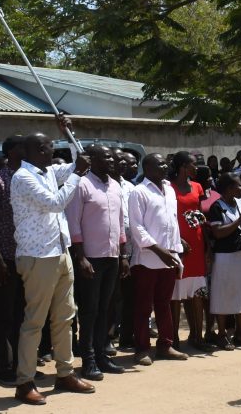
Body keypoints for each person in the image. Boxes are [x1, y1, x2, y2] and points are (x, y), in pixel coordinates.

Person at [11, 128, 97, 406]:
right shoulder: (23, 177)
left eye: (52, 145)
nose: (52, 150)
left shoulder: (48, 171)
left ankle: (65, 373)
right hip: (38, 256)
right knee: (35, 321)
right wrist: (77, 172)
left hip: (60, 251)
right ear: (35, 151)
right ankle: (24, 382)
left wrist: (68, 133)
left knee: (65, 316)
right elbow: (55, 203)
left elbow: (77, 162)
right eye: (48, 146)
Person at [66, 145, 128, 380]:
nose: (111, 161)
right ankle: (88, 360)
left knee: (105, 309)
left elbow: (120, 224)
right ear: (92, 160)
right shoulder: (82, 184)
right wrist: (81, 257)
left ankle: (102, 356)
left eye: (112, 157)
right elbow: (73, 224)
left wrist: (123, 256)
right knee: (89, 310)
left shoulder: (116, 186)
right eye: (106, 157)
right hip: (90, 258)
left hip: (112, 256)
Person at [128, 153, 189, 366]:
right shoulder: (139, 192)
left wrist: (177, 248)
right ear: (147, 168)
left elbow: (172, 222)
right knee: (144, 306)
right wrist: (158, 249)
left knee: (164, 304)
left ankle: (165, 345)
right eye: (160, 164)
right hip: (147, 258)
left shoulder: (169, 189)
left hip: (169, 256)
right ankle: (142, 348)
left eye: (166, 163)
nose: (165, 166)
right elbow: (136, 227)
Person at [0, 135, 27, 384]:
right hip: (5, 257)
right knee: (5, 315)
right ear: (11, 151)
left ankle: (22, 365)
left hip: (26, 256)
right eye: (22, 146)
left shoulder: (30, 178)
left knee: (23, 314)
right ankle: (4, 366)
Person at [206, 173, 241, 350]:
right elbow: (218, 233)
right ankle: (222, 334)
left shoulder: (240, 203)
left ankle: (240, 333)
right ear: (228, 188)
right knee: (223, 294)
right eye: (238, 185)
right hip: (225, 256)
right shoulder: (217, 207)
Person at [170, 151, 210, 352]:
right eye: (193, 164)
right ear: (183, 167)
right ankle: (174, 338)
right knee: (177, 293)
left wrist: (207, 246)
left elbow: (201, 215)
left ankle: (197, 336)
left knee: (197, 292)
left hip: (197, 243)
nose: (197, 168)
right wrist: (177, 240)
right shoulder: (168, 188)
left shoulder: (197, 187)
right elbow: (168, 217)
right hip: (178, 245)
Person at [109, 148, 138, 350]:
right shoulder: (101, 185)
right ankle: (108, 337)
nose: (124, 165)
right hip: (109, 251)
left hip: (132, 250)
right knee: (111, 297)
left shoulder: (130, 187)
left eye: (124, 161)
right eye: (118, 160)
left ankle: (127, 336)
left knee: (130, 296)